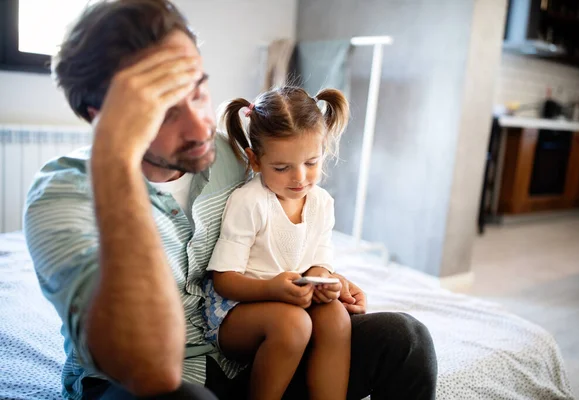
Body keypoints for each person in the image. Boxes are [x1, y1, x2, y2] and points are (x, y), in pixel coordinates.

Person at [23, 0, 437, 399]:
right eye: (166, 110)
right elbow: (148, 368)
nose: (201, 125)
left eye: (199, 91)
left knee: (405, 340)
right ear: (103, 116)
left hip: (253, 360)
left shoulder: (232, 156)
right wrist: (117, 160)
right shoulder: (64, 197)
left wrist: (323, 281)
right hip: (140, 381)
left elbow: (278, 236)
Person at [201, 86, 350, 400]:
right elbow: (224, 280)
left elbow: (319, 262)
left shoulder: (321, 203)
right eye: (282, 168)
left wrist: (325, 281)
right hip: (237, 312)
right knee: (292, 324)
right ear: (255, 161)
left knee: (336, 316)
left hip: (291, 300)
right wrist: (272, 288)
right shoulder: (250, 202)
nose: (299, 178)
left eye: (311, 163)